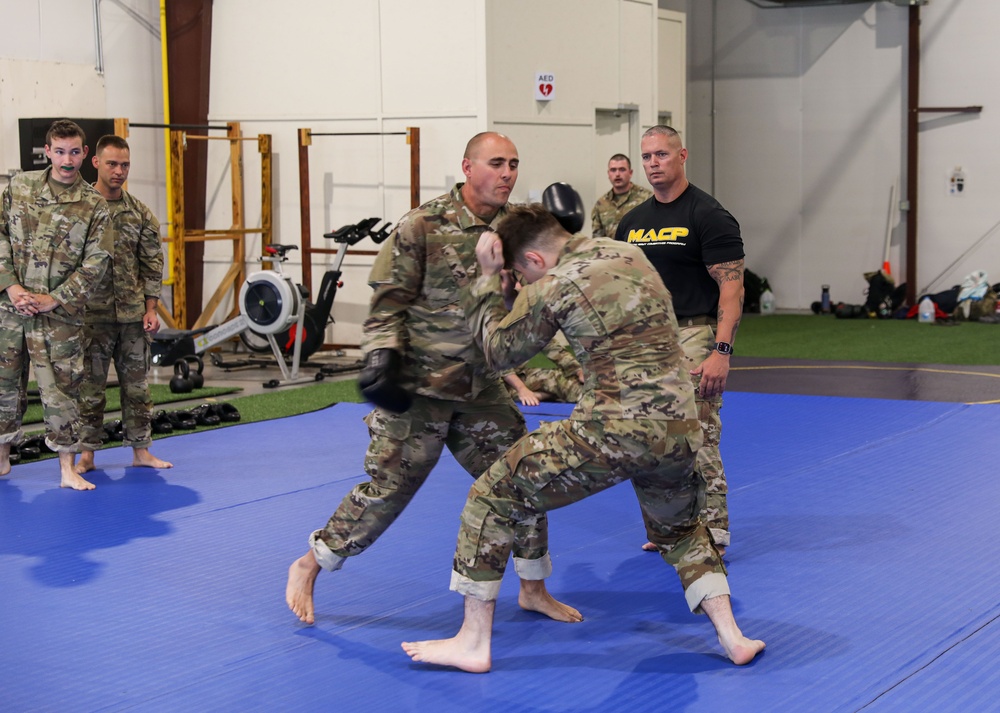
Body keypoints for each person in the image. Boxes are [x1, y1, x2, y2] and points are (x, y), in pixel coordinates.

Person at [401, 202, 764, 672]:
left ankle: (472, 641)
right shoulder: (628, 252)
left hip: (616, 426)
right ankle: (733, 637)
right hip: (680, 423)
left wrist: (487, 279)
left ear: (533, 260)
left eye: (519, 272)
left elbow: (496, 354)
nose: (522, 281)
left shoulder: (553, 283)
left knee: (491, 495)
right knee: (683, 530)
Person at [286, 132, 580, 627]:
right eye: (496, 163)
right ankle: (310, 563)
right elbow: (387, 302)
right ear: (467, 167)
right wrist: (380, 356)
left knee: (525, 479)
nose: (507, 173)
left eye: (513, 164)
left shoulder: (516, 229)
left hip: (481, 387)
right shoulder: (423, 224)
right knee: (387, 493)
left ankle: (533, 588)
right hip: (419, 390)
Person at [615, 125, 745, 555]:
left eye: (662, 155)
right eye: (647, 156)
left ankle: (714, 529)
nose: (654, 164)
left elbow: (732, 289)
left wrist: (721, 351)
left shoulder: (708, 215)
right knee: (647, 436)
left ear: (682, 155)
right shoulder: (632, 223)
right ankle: (667, 526)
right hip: (644, 337)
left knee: (695, 432)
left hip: (692, 332)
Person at [0, 119, 112, 489]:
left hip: (60, 314)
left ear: (85, 153)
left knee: (62, 389)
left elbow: (96, 263)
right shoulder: (20, 186)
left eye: (74, 152)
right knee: (3, 384)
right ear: (47, 151)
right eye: (60, 151)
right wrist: (11, 286)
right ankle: (1, 459)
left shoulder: (94, 205)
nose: (67, 160)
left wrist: (55, 298)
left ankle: (66, 469)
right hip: (11, 310)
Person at [74, 135, 172, 476]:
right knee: (90, 389)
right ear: (96, 162)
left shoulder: (139, 212)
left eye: (125, 165)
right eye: (113, 164)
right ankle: (87, 455)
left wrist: (151, 308)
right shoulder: (78, 208)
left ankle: (141, 450)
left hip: (131, 316)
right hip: (89, 318)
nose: (119, 171)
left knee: (137, 387)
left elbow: (151, 264)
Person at [503, 332, 583, 406]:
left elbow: (554, 350)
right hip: (496, 381)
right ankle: (541, 395)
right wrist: (521, 389)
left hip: (519, 374)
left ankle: (587, 397)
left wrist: (578, 370)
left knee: (556, 377)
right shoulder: (497, 327)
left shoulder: (532, 326)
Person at [590, 153, 651, 238]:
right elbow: (598, 239)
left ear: (630, 173)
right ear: (608, 174)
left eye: (622, 169)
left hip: (637, 250)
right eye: (613, 170)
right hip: (610, 250)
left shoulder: (647, 198)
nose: (617, 174)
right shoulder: (601, 204)